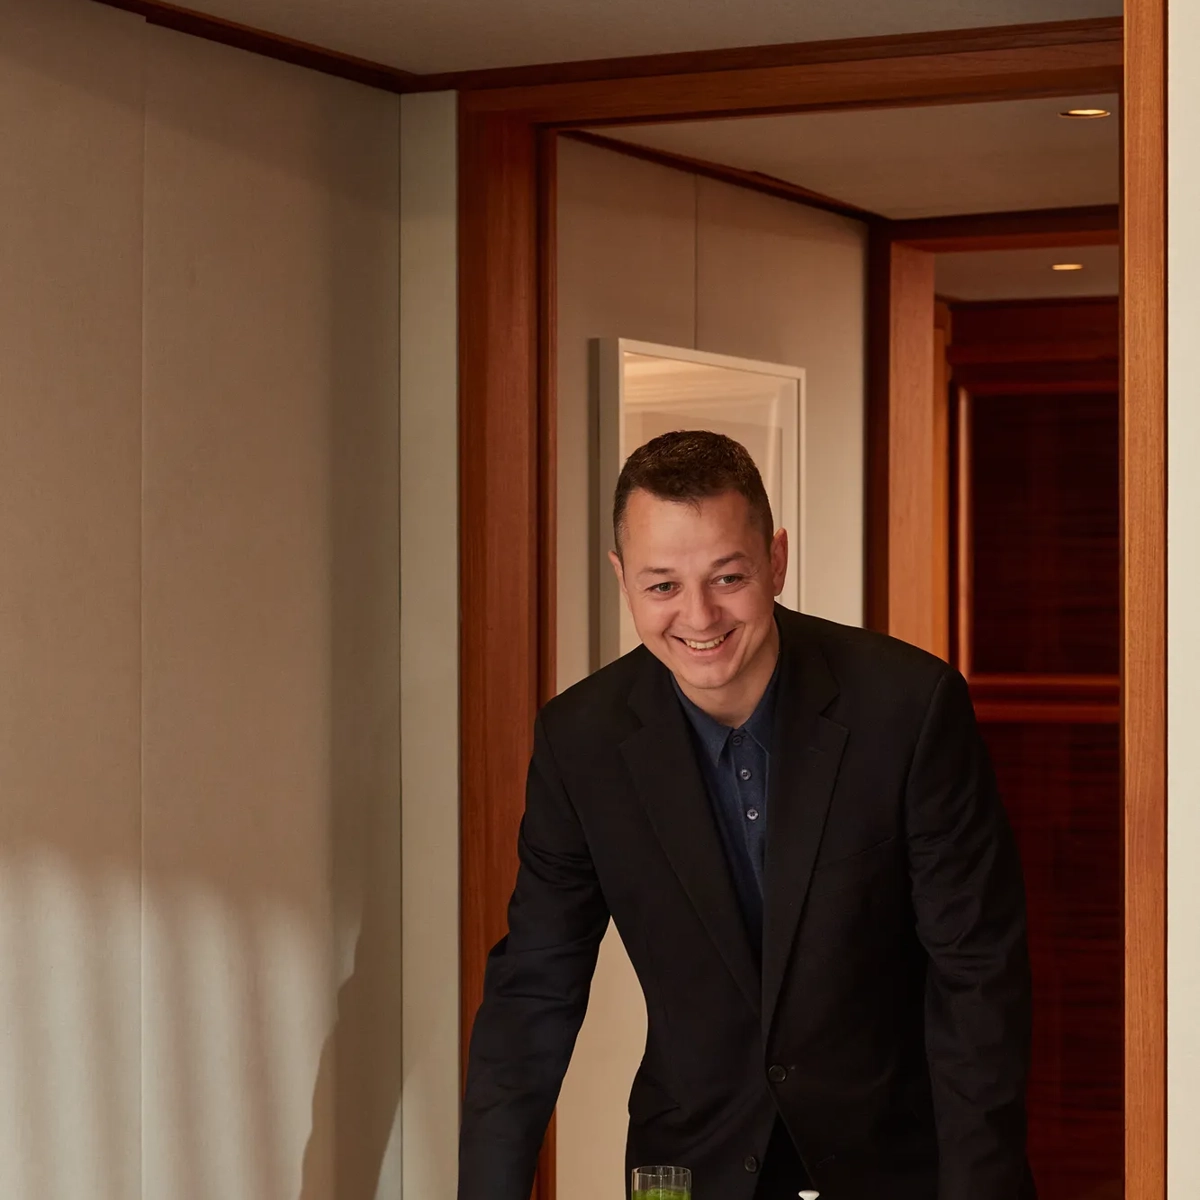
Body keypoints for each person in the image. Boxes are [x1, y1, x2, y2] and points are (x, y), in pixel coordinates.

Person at [458, 430, 1034, 1200]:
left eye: (727, 576)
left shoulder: (909, 707)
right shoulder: (580, 741)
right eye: (661, 586)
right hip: (692, 1164)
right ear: (622, 578)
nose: (698, 617)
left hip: (898, 1161)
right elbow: (535, 984)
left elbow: (978, 975)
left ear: (776, 561)